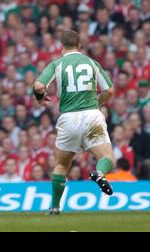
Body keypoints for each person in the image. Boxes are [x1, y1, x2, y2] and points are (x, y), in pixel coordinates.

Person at [33, 30, 116, 215]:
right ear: (80, 45)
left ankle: (54, 207)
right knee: (107, 158)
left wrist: (40, 97)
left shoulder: (57, 63)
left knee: (62, 165)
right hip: (91, 115)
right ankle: (99, 174)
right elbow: (109, 90)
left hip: (68, 118)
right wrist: (98, 102)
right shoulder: (91, 63)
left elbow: (38, 85)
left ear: (61, 47)